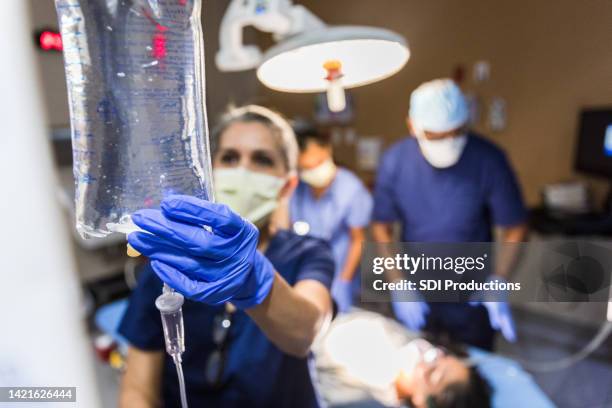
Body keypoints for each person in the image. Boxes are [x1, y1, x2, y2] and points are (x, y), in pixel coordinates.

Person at [118, 105, 335, 408]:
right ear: (210, 171)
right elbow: (138, 390)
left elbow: (305, 332)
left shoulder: (307, 252)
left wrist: (254, 278)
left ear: (287, 184)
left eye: (262, 159)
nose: (242, 171)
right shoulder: (172, 262)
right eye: (230, 158)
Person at [371, 79, 528, 350]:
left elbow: (515, 226)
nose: (447, 141)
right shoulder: (395, 161)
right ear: (412, 126)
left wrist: (499, 279)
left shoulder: (488, 159)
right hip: (418, 288)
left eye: (456, 132)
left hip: (472, 295)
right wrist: (397, 282)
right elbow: (381, 227)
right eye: (435, 135)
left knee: (470, 369)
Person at [314, 309, 492, 408]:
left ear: (423, 402)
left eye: (433, 373)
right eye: (440, 354)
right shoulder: (401, 339)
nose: (428, 355)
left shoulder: (368, 398)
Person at [289, 121, 373, 313]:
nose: (314, 171)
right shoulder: (297, 190)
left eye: (317, 163)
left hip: (340, 273)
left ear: (327, 150)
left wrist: (343, 281)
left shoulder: (351, 190)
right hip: (305, 273)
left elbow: (358, 239)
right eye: (306, 168)